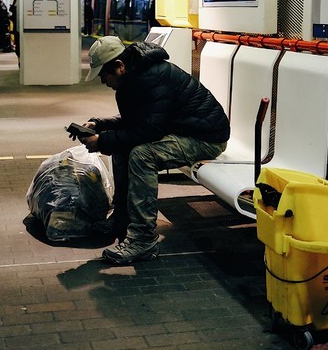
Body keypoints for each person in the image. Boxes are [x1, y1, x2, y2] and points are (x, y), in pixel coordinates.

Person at [74, 36, 230, 265]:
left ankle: (143, 239)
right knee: (122, 147)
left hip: (205, 138)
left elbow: (149, 130)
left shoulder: (152, 77)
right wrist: (100, 125)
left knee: (142, 155)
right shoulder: (134, 78)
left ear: (119, 66)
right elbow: (138, 121)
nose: (102, 81)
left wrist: (103, 141)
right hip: (181, 130)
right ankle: (121, 219)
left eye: (104, 75)